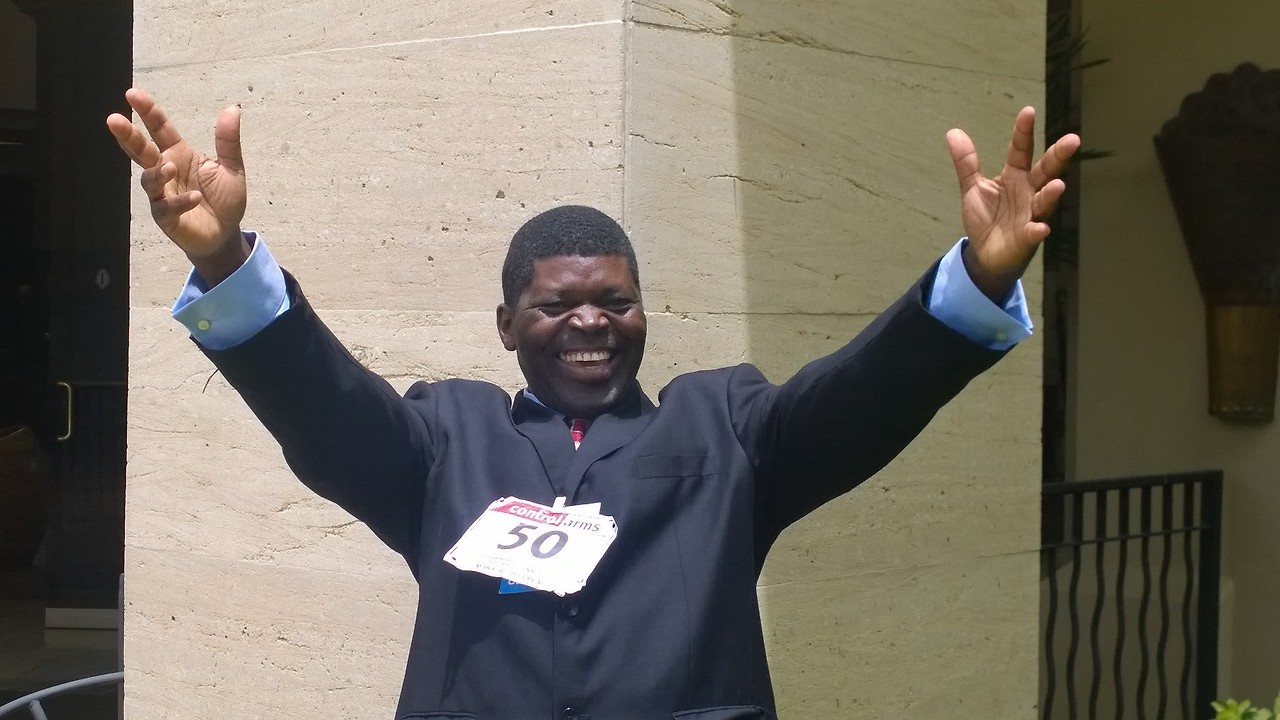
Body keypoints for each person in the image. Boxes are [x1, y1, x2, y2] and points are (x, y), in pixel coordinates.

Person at [107, 88, 1079, 719]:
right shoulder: (445, 442)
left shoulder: (727, 430)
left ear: (643, 315)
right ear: (506, 325)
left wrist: (978, 282)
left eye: (613, 301)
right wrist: (223, 259)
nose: (589, 322)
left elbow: (863, 398)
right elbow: (323, 405)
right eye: (556, 304)